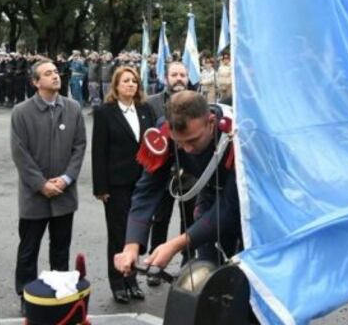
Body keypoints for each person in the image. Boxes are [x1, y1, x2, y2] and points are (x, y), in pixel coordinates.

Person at [113, 90, 241, 274]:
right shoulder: (164, 133)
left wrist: (175, 245)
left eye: (193, 140)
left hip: (247, 205)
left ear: (211, 122)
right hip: (208, 196)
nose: (187, 149)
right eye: (179, 143)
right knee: (207, 273)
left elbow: (230, 207)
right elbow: (147, 189)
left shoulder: (237, 133)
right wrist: (131, 245)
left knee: (245, 277)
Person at [10, 60, 87, 310]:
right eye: (48, 73)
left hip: (64, 194)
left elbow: (79, 147)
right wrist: (41, 184)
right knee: (28, 249)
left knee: (61, 248)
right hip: (35, 196)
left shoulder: (73, 108)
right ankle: (26, 295)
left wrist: (66, 179)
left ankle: (61, 292)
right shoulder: (21, 112)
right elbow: (20, 154)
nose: (55, 76)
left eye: (55, 72)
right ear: (35, 82)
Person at [92, 66, 155, 304]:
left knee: (135, 235)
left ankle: (132, 280)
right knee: (118, 234)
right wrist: (101, 188)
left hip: (142, 183)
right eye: (126, 81)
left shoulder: (145, 110)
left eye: (134, 81)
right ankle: (118, 282)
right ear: (116, 86)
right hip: (116, 184)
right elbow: (99, 151)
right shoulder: (105, 112)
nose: (131, 84)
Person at [143, 61, 197, 286]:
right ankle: (156, 264)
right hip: (162, 175)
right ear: (166, 79)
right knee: (160, 220)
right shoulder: (152, 103)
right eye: (174, 74)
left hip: (192, 176)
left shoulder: (198, 103)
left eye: (183, 75)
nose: (179, 79)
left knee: (190, 221)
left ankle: (188, 264)